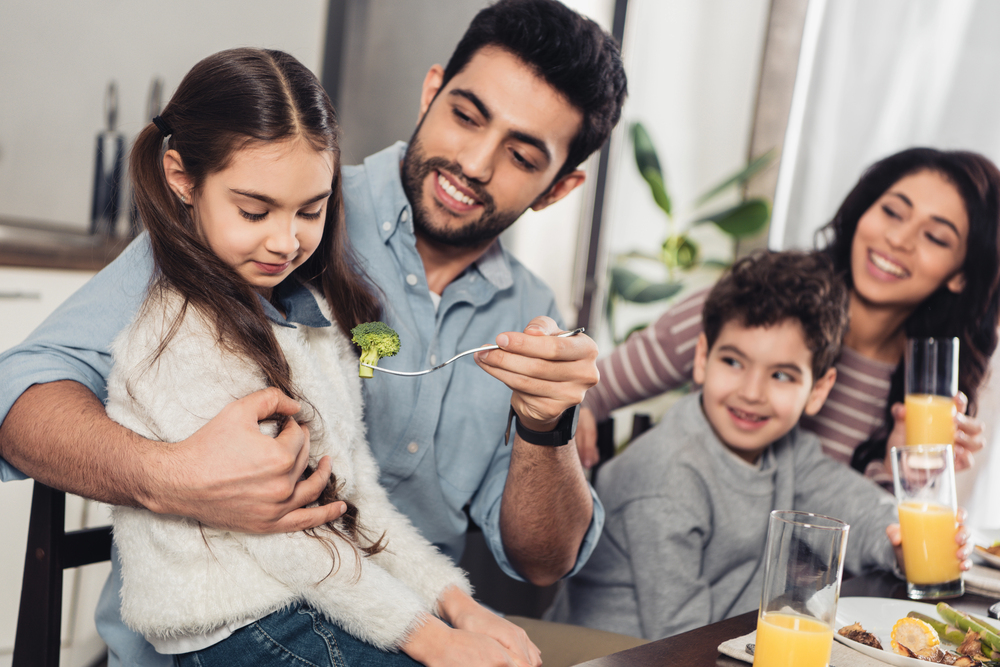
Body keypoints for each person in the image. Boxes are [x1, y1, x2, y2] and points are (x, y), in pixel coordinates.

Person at [0, 1, 628, 664]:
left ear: (559, 188)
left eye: (523, 155)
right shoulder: (250, 212)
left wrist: (546, 427)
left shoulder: (529, 310)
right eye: (466, 115)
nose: (473, 161)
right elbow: (16, 400)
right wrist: (173, 476)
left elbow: (543, 559)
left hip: (393, 617)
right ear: (431, 90)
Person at [107, 47, 541, 666]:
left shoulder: (313, 315)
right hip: (237, 624)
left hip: (313, 595)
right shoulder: (177, 339)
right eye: (254, 210)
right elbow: (288, 541)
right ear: (181, 177)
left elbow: (358, 497)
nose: (286, 242)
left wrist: (457, 604)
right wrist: (432, 639)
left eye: (311, 211)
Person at [546, 251, 972, 639]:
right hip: (621, 655)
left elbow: (861, 511)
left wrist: (901, 543)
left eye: (782, 375)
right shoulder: (668, 474)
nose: (751, 392)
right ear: (702, 358)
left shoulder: (791, 452)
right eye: (733, 362)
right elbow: (680, 636)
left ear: (818, 390)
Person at [578, 148, 1000, 487]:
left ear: (961, 275)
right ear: (862, 214)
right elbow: (590, 390)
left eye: (935, 237)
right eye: (892, 211)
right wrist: (571, 425)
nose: (898, 239)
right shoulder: (755, 305)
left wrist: (901, 475)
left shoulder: (923, 391)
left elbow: (860, 544)